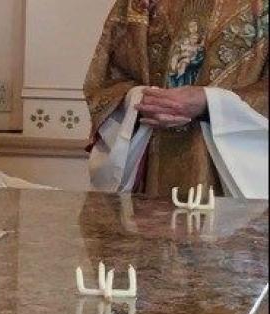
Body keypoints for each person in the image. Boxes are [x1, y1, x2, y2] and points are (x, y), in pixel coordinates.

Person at [84, 0, 268, 199]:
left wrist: (211, 102)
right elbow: (108, 80)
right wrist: (143, 100)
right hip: (154, 167)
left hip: (235, 174)